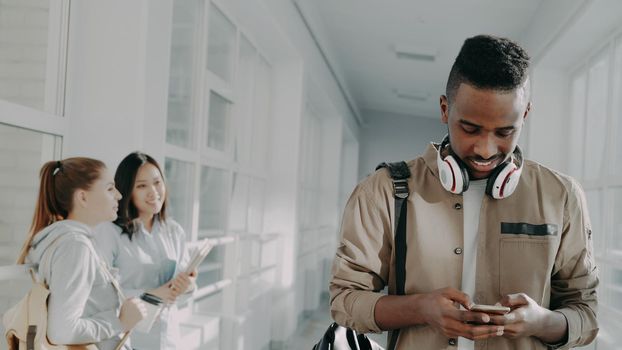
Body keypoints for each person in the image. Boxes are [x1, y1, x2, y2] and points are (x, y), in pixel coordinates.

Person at [329, 34, 598, 349]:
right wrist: (421, 308)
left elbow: (586, 315)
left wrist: (540, 321)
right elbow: (344, 301)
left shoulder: (563, 196)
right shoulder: (382, 191)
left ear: (524, 115)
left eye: (504, 131)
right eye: (470, 129)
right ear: (445, 110)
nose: (485, 149)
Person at [17, 157, 146, 350]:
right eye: (110, 188)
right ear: (83, 197)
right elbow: (62, 330)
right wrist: (120, 322)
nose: (119, 195)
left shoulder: (65, 241)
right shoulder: (75, 246)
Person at [94, 152, 196, 350]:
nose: (153, 191)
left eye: (157, 182)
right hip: (127, 338)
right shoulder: (109, 232)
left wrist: (188, 286)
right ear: (127, 191)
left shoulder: (174, 231)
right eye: (142, 186)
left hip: (169, 339)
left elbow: (182, 290)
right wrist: (151, 295)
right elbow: (100, 293)